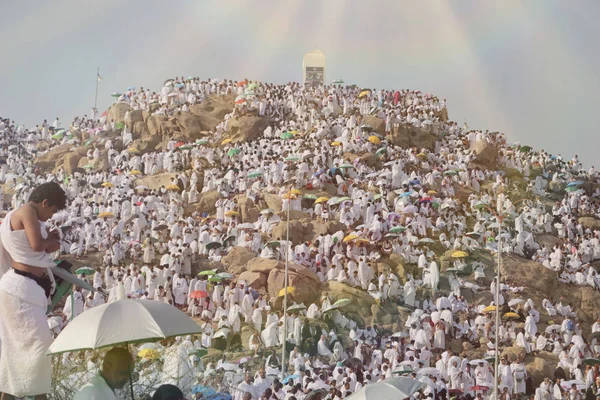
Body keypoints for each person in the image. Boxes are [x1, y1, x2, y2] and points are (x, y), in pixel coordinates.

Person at [0, 182, 66, 400]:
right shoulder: (27, 211)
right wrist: (50, 240)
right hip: (20, 287)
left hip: (24, 288)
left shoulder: (24, 215)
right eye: (52, 211)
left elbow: (36, 247)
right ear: (45, 203)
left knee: (21, 352)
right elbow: (37, 245)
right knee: (38, 348)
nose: (49, 217)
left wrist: (51, 242)